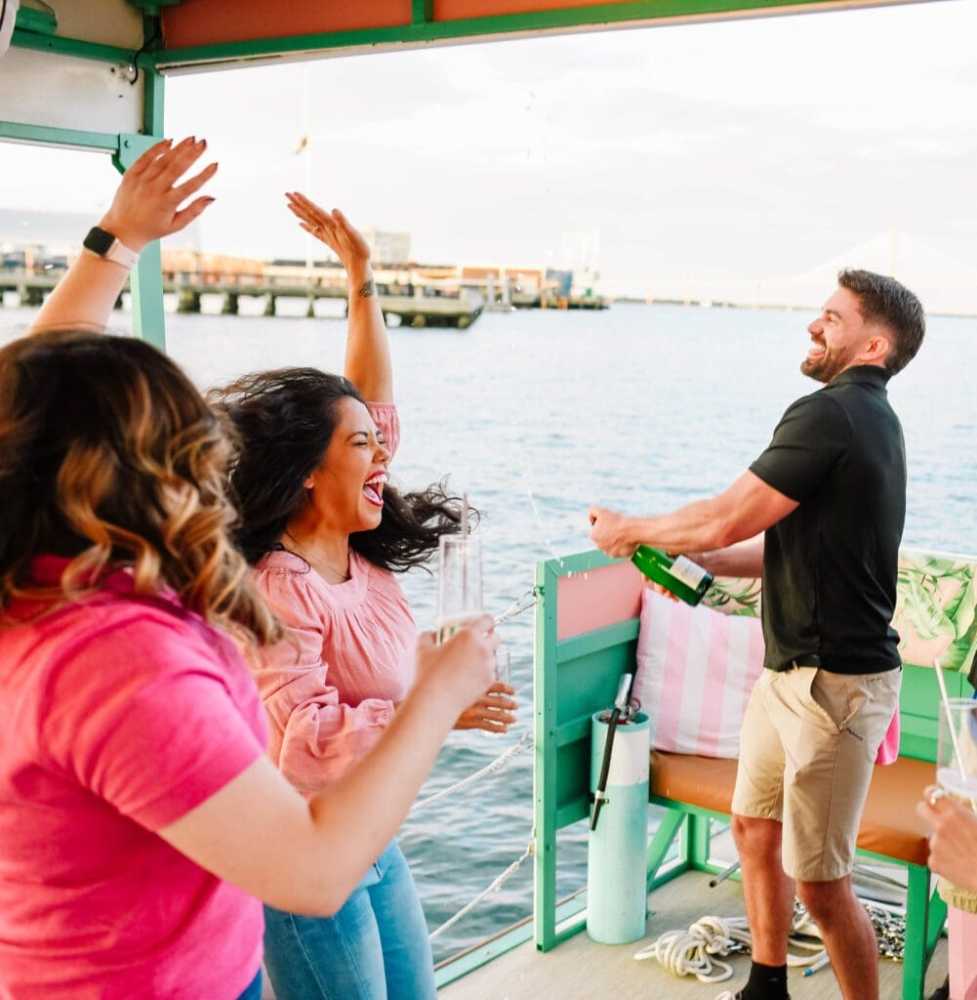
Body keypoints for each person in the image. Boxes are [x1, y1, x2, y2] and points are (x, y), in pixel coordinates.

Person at [0, 137, 498, 1000]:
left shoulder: (40, 586)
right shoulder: (114, 658)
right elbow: (307, 872)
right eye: (188, 442)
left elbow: (30, 410)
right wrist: (435, 697)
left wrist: (114, 245)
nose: (209, 464)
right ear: (131, 471)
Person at [211, 193, 518, 1000]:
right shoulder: (278, 585)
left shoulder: (354, 541)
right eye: (361, 447)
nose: (381, 453)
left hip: (370, 837)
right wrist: (436, 703)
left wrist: (361, 277)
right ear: (309, 470)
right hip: (304, 853)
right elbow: (305, 742)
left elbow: (370, 398)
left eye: (379, 442)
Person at [590, 270, 925, 1000]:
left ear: (871, 344)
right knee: (751, 826)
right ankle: (766, 984)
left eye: (831, 319)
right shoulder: (870, 420)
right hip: (785, 675)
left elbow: (723, 514)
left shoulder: (829, 413)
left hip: (833, 686)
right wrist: (702, 558)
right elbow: (783, 542)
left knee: (822, 882)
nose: (813, 326)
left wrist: (631, 530)